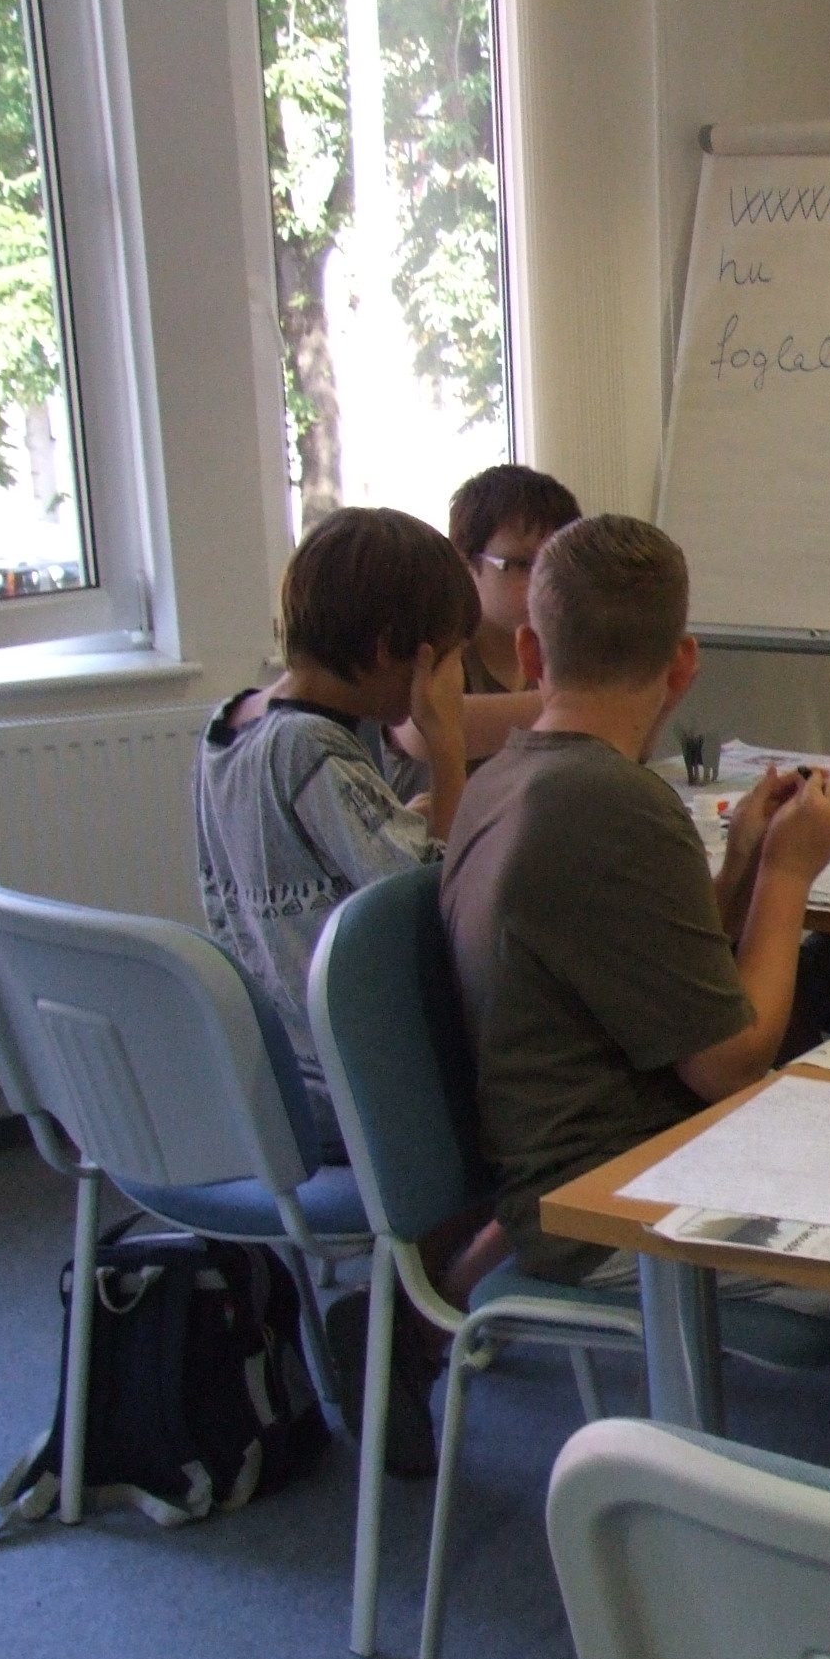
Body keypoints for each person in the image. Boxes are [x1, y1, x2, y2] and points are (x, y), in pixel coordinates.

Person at [443, 514, 830, 1494]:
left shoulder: (503, 780)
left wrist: (741, 866)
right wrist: (790, 876)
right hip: (617, 1198)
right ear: (684, 663)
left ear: (531, 652)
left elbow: (662, 974)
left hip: (582, 1158)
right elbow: (729, 1061)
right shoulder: (617, 804)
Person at [195, 506, 492, 1473]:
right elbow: (435, 889)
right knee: (532, 1119)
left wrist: (407, 806)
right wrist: (448, 756)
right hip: (343, 1094)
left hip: (269, 1074)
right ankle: (408, 1323)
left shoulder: (233, 727)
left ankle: (403, 1319)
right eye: (443, 660)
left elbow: (328, 864)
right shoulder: (313, 752)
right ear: (393, 653)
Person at [373, 464, 578, 797]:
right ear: (466, 564)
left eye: (555, 565)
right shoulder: (436, 643)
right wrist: (584, 705)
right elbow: (426, 726)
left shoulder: (557, 653)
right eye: (521, 565)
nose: (545, 582)